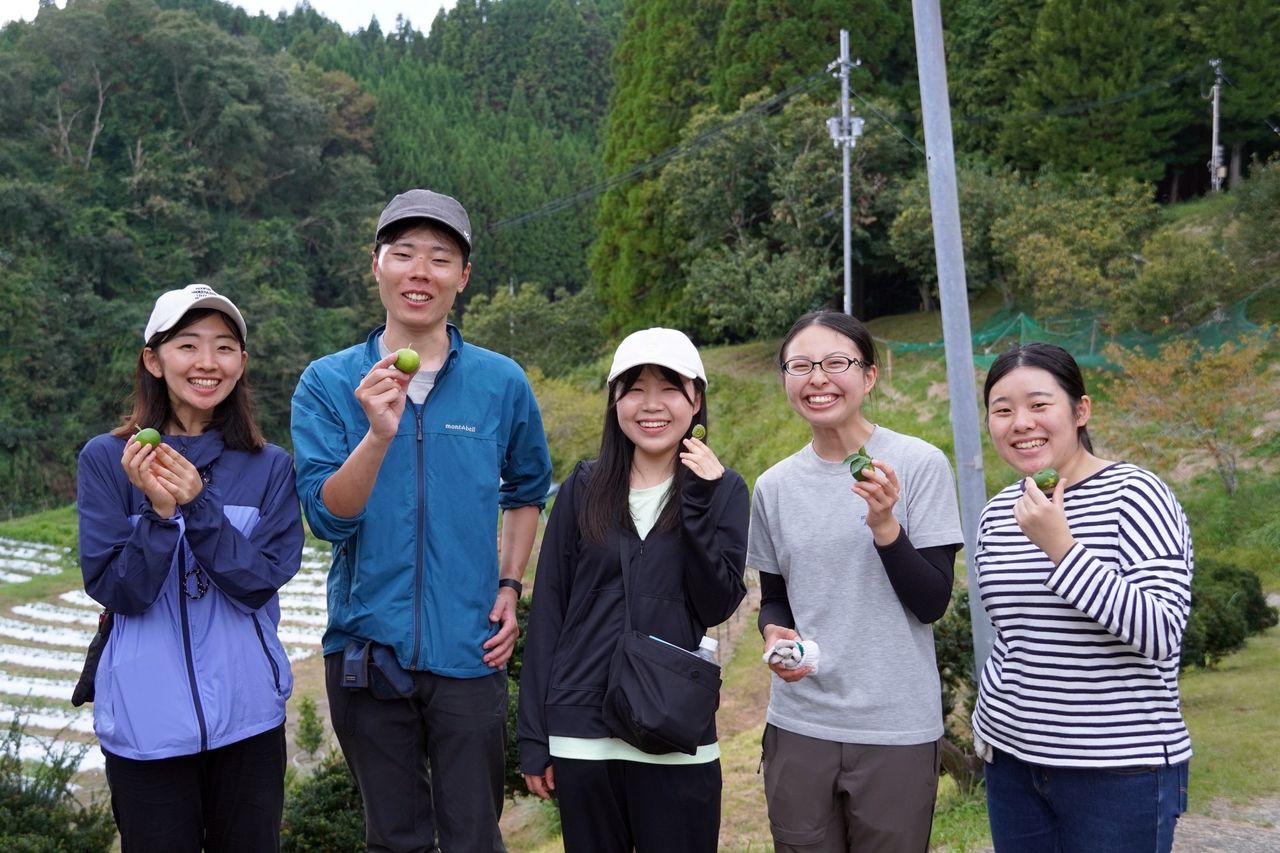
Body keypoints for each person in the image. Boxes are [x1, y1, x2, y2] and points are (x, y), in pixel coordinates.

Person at [291, 188, 553, 853]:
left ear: (462, 278)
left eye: (440, 257)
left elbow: (527, 489)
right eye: (403, 253)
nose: (420, 271)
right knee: (396, 839)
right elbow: (328, 517)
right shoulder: (328, 383)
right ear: (375, 266)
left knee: (473, 836)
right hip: (365, 653)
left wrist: (509, 585)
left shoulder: (500, 382)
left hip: (469, 651)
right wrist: (376, 434)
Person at [77, 283, 304, 851]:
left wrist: (198, 506)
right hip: (145, 727)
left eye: (225, 347)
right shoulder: (108, 460)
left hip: (249, 718)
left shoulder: (269, 465)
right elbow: (116, 590)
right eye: (188, 345)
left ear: (242, 364)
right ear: (153, 359)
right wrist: (157, 513)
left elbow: (258, 583)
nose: (208, 363)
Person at [517, 327, 748, 853]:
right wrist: (534, 735)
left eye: (669, 388)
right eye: (634, 388)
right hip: (583, 729)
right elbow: (550, 609)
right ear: (614, 400)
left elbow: (715, 603)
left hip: (675, 729)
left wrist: (698, 499)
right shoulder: (583, 487)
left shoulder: (725, 488)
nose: (651, 405)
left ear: (696, 400)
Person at [747, 310, 964, 853]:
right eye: (801, 365)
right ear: (785, 381)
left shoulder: (919, 464)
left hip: (895, 729)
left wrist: (886, 527)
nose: (817, 378)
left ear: (868, 376)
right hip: (800, 724)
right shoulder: (774, 487)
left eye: (836, 362)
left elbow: (932, 602)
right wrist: (774, 634)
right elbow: (775, 601)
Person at [971, 342, 1193, 852]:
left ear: (1081, 410)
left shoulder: (1138, 494)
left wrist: (1062, 548)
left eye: (1039, 404)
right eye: (1002, 410)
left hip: (1119, 772)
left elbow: (1160, 633)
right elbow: (1015, 638)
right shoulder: (999, 513)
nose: (1021, 422)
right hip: (1013, 764)